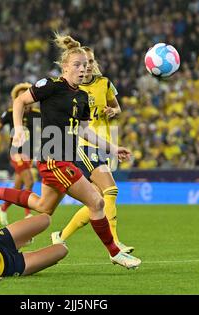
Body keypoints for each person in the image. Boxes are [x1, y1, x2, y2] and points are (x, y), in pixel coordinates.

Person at [0, 34, 141, 269]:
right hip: (54, 159)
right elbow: (19, 102)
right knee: (96, 202)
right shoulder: (50, 86)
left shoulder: (83, 96)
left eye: (85, 65)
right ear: (64, 67)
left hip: (67, 157)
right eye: (77, 65)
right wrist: (17, 128)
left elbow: (86, 132)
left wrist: (113, 148)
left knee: (44, 207)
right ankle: (115, 252)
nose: (82, 69)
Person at [51, 45, 134, 254]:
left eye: (89, 62)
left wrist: (112, 111)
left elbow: (117, 107)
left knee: (95, 200)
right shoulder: (74, 88)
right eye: (82, 63)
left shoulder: (104, 83)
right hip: (84, 145)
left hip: (103, 142)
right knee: (111, 190)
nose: (86, 67)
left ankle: (60, 236)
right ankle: (116, 243)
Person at [0, 82, 41, 226]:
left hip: (29, 154)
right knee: (30, 181)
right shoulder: (10, 113)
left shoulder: (37, 114)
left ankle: (2, 209)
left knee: (17, 188)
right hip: (15, 152)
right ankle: (28, 214)